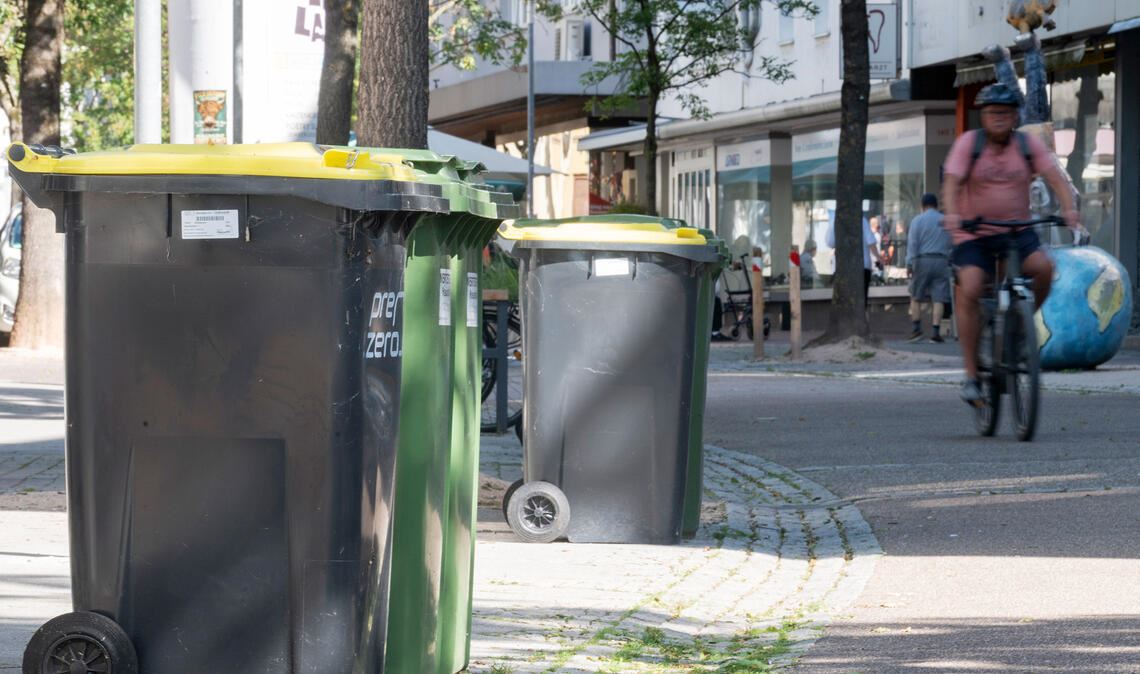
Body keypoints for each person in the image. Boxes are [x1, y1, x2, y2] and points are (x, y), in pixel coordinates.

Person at [942, 82, 1082, 406]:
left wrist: (1070, 209)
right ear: (984, 116)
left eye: (1005, 112)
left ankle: (1021, 326)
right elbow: (951, 183)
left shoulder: (1027, 145)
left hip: (1017, 230)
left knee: (1044, 269)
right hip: (974, 233)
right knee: (973, 286)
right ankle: (972, 376)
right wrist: (951, 215)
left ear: (1015, 116)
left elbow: (1055, 178)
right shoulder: (969, 144)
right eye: (993, 113)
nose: (999, 118)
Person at [906, 193, 952, 343]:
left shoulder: (917, 220)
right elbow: (951, 243)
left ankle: (916, 330)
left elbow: (913, 244)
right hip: (941, 261)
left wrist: (909, 264)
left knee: (915, 296)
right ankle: (936, 332)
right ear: (936, 205)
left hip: (922, 260)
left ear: (922, 205)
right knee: (939, 298)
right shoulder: (945, 221)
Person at [826, 213, 883, 300]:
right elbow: (871, 242)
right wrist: (879, 259)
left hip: (844, 267)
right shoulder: (862, 220)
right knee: (861, 300)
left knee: (845, 300)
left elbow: (830, 242)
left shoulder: (836, 220)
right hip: (862, 266)